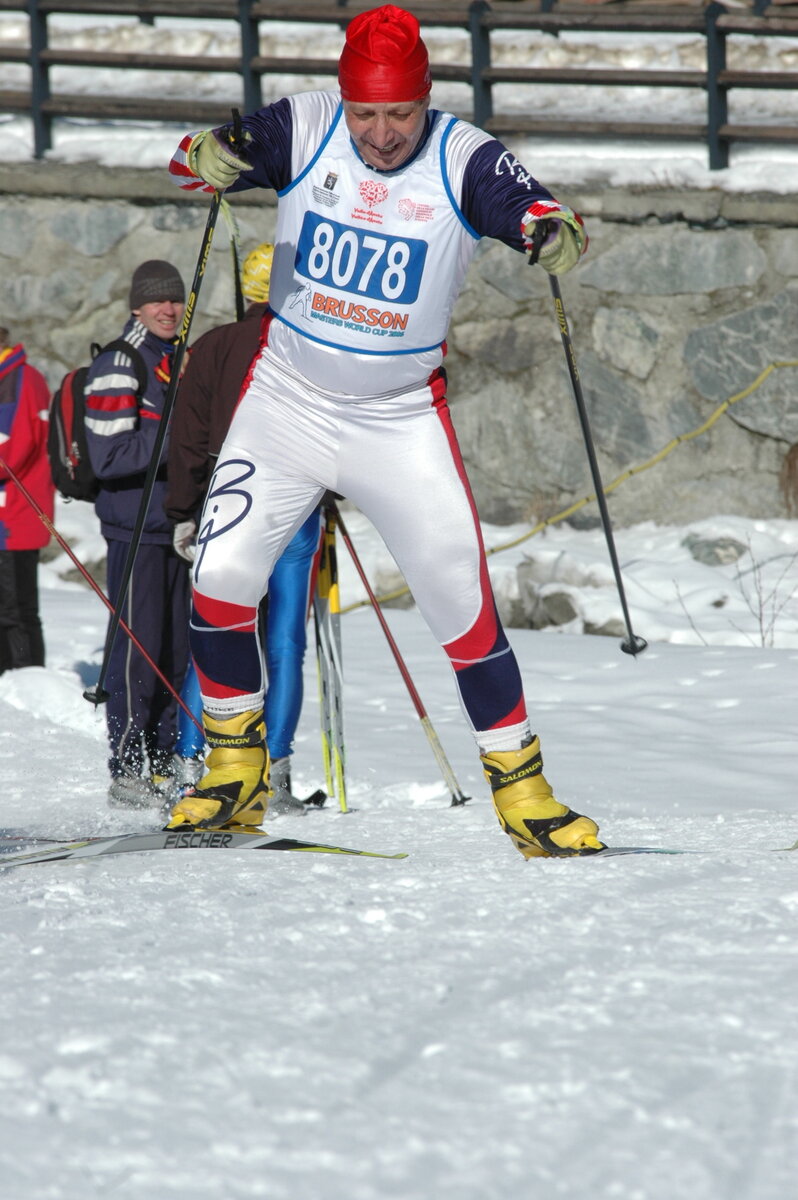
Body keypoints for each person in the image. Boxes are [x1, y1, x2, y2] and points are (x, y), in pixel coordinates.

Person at [165, 4, 605, 857]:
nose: (380, 133)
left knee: (461, 602)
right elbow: (208, 157)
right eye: (365, 112)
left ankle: (525, 792)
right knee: (220, 576)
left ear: (424, 98)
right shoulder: (308, 123)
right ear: (344, 98)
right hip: (286, 405)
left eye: (398, 112)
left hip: (397, 421)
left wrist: (550, 233)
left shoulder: (460, 153)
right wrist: (207, 156)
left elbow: (529, 206)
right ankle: (233, 769)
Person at [165, 242, 322, 813]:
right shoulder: (316, 348)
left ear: (250, 291)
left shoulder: (213, 346)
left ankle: (192, 768)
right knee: (283, 643)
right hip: (299, 506)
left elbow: (186, 436)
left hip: (226, 504)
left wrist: (182, 510)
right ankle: (274, 776)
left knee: (215, 634)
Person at [84, 261, 191, 808]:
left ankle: (163, 763)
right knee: (137, 652)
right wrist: (183, 440)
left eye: (174, 300)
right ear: (136, 307)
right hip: (133, 526)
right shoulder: (118, 363)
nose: (168, 310)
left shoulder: (174, 357)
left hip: (173, 528)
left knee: (175, 653)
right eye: (157, 302)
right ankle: (126, 768)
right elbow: (108, 456)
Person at [0, 327, 54, 674]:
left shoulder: (17, 379)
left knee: (16, 611)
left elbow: (9, 451)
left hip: (15, 519)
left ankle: (29, 684)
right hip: (10, 517)